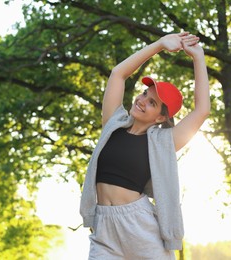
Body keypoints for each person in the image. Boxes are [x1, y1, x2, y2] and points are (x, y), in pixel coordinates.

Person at [79, 31, 210, 259]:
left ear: (160, 118)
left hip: (139, 229)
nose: (141, 101)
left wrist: (198, 57)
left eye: (152, 103)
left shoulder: (163, 142)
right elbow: (118, 74)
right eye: (144, 94)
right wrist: (159, 44)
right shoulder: (114, 123)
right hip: (104, 228)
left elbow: (202, 110)